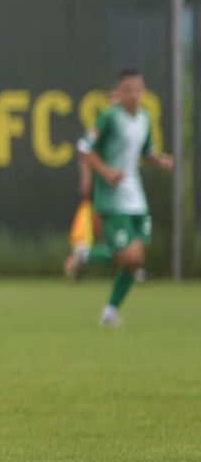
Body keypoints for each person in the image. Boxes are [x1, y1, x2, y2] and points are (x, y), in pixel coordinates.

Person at [63, 68, 173, 325]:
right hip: (113, 199)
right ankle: (85, 255)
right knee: (131, 256)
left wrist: (160, 160)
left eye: (138, 89)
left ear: (143, 91)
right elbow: (83, 149)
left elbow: (146, 150)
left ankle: (109, 311)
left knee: (135, 261)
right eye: (128, 90)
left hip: (137, 198)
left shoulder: (144, 117)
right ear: (119, 91)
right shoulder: (110, 117)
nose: (134, 95)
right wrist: (106, 173)